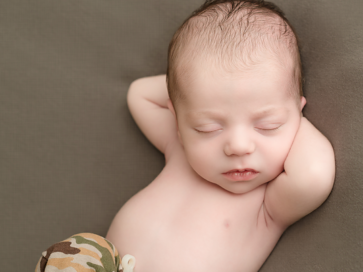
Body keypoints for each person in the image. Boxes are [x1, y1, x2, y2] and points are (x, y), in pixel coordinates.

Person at [35, 0, 335, 271]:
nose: (238, 146)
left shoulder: (269, 205)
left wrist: (289, 113)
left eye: (267, 125)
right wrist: (190, 89)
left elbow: (314, 175)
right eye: (209, 127)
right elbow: (139, 94)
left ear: (298, 113)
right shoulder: (181, 144)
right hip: (103, 262)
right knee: (72, 251)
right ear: (178, 120)